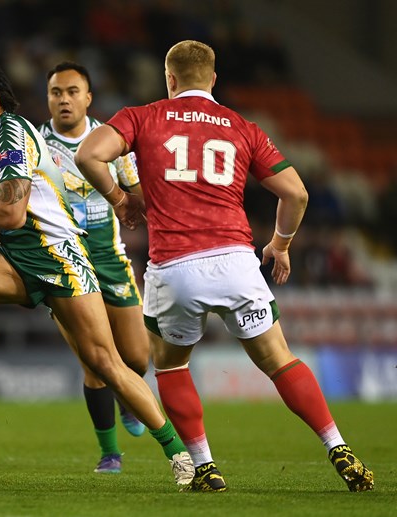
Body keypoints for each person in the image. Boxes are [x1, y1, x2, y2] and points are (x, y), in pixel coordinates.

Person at [75, 40, 374, 493]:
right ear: (214, 79)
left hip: (174, 267)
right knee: (279, 359)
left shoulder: (143, 116)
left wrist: (121, 201)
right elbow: (296, 193)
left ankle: (204, 466)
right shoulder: (242, 126)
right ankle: (337, 445)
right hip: (236, 261)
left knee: (172, 367)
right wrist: (281, 244)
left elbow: (88, 155)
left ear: (169, 78)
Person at [0, 59, 193, 487]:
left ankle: (180, 455)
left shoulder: (12, 133)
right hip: (17, 257)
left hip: (60, 258)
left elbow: (14, 212)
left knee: (108, 364)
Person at [38, 61, 148, 475]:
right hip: (65, 263)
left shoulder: (113, 142)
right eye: (55, 92)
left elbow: (136, 192)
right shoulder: (35, 143)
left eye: (71, 91)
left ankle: (128, 394)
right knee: (95, 363)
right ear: (48, 97)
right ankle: (110, 453)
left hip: (110, 259)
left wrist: (133, 199)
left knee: (136, 358)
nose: (63, 99)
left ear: (88, 97)